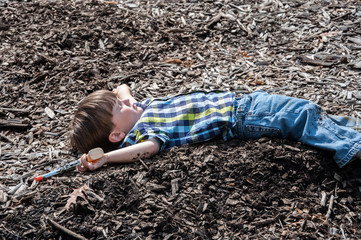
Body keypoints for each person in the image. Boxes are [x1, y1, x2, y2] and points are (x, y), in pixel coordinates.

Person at [69, 84, 361, 172]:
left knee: (307, 112)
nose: (128, 103)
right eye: (120, 109)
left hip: (242, 104)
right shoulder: (144, 129)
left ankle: (351, 135)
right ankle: (353, 150)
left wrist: (123, 103)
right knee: (303, 115)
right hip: (241, 117)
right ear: (117, 135)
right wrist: (106, 157)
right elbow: (149, 149)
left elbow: (122, 89)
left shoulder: (138, 110)